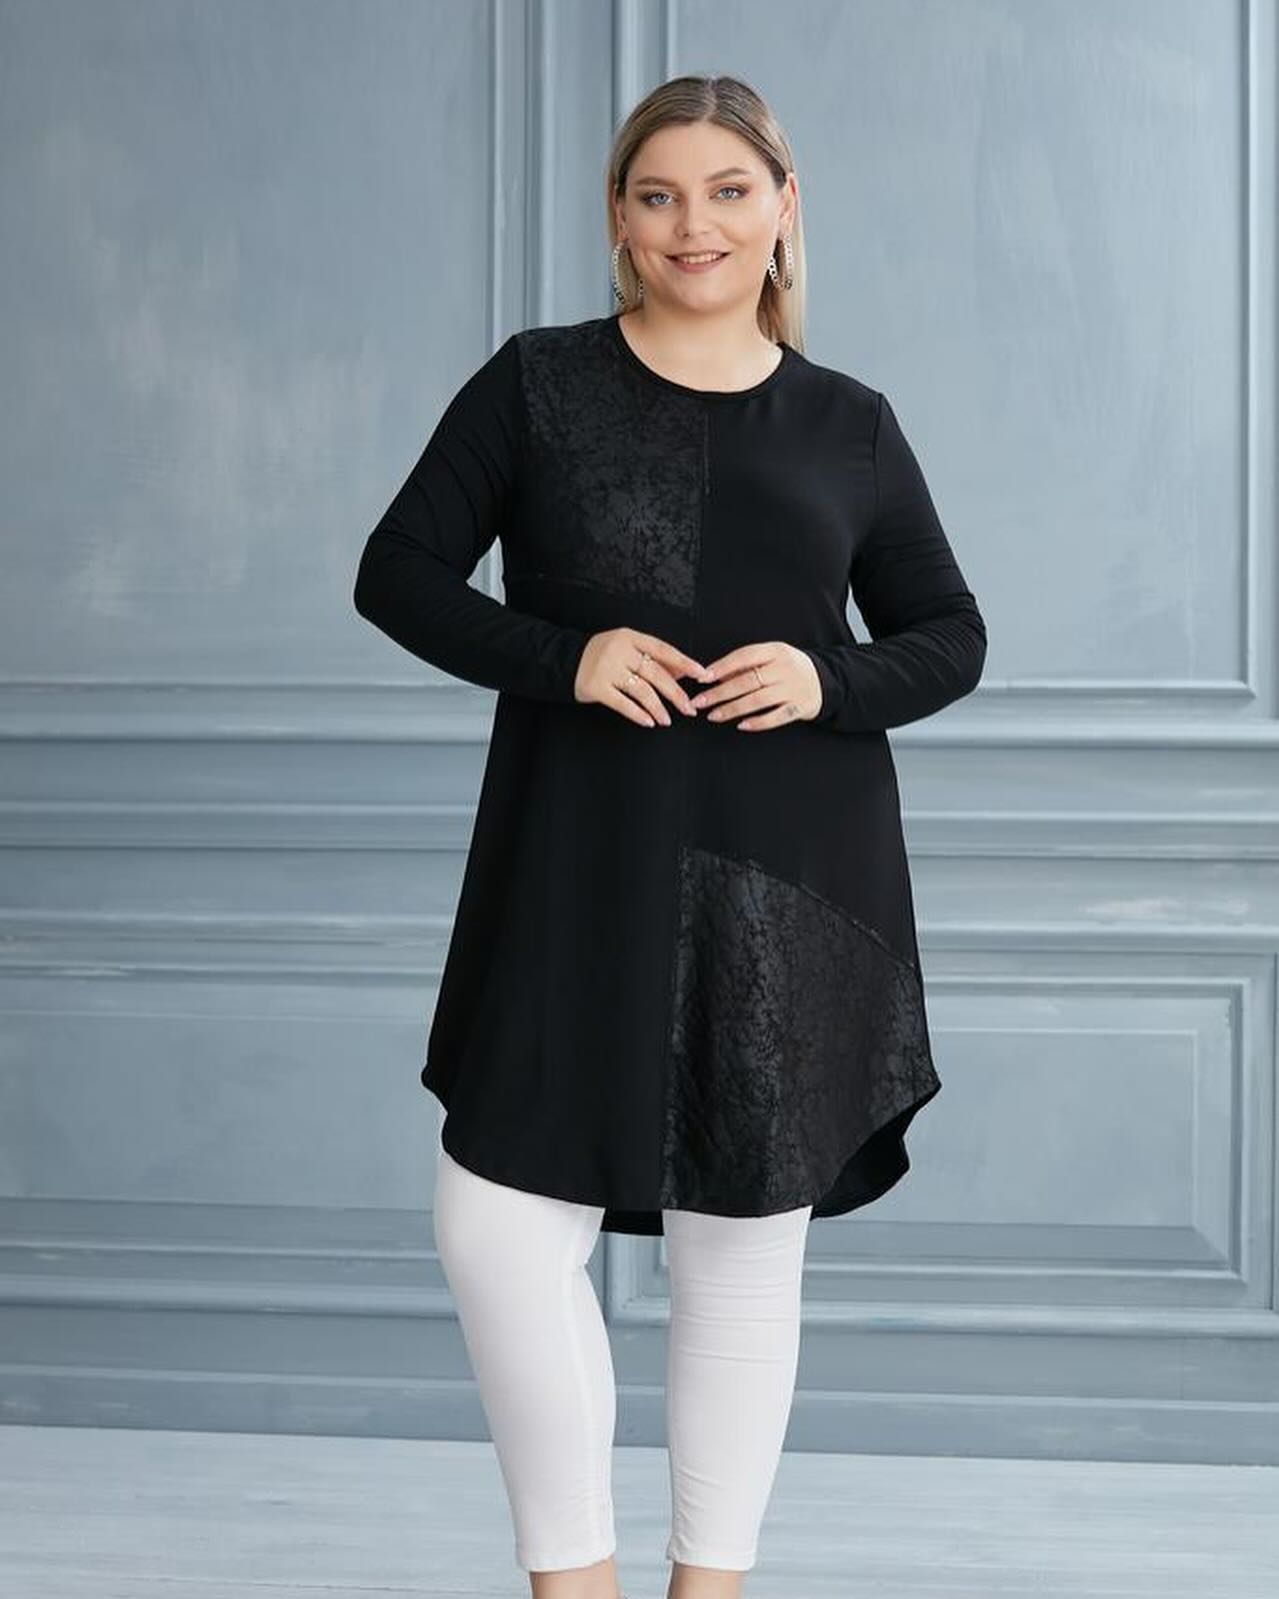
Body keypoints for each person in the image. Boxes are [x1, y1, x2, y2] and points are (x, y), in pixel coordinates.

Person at [353, 73, 986, 1599]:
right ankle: (574, 1582)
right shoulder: (537, 384)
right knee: (500, 1227)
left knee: (739, 1247)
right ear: (621, 222)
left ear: (782, 209)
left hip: (792, 871)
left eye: (727, 190)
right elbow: (400, 570)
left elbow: (948, 634)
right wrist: (563, 657)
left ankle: (713, 1586)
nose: (693, 224)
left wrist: (828, 679)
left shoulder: (849, 422)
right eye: (658, 195)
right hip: (580, 859)